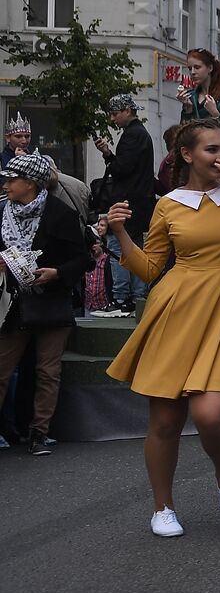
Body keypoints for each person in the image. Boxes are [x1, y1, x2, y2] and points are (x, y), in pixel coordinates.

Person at [105, 118, 220, 537]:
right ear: (187, 155)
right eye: (211, 150)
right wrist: (121, 233)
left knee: (212, 414)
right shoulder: (169, 204)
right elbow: (148, 268)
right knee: (164, 421)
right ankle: (162, 506)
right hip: (176, 310)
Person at [0, 153, 89, 455]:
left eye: (12, 180)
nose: (6, 184)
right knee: (2, 368)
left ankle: (40, 432)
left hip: (51, 302)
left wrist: (57, 273)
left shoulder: (60, 213)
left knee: (47, 371)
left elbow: (82, 259)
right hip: (12, 303)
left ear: (30, 184)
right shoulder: (2, 211)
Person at [93, 95, 156, 317]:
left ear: (128, 111)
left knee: (118, 248)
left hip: (127, 203)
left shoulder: (132, 136)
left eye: (115, 113)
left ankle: (121, 299)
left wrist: (108, 156)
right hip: (140, 204)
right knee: (136, 248)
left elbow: (121, 169)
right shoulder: (141, 134)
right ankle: (137, 298)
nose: (112, 118)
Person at [179, 48, 220, 134]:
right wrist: (188, 109)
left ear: (210, 68)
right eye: (190, 68)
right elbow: (183, 134)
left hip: (217, 146)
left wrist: (215, 114)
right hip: (197, 146)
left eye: (197, 67)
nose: (192, 72)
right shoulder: (191, 97)